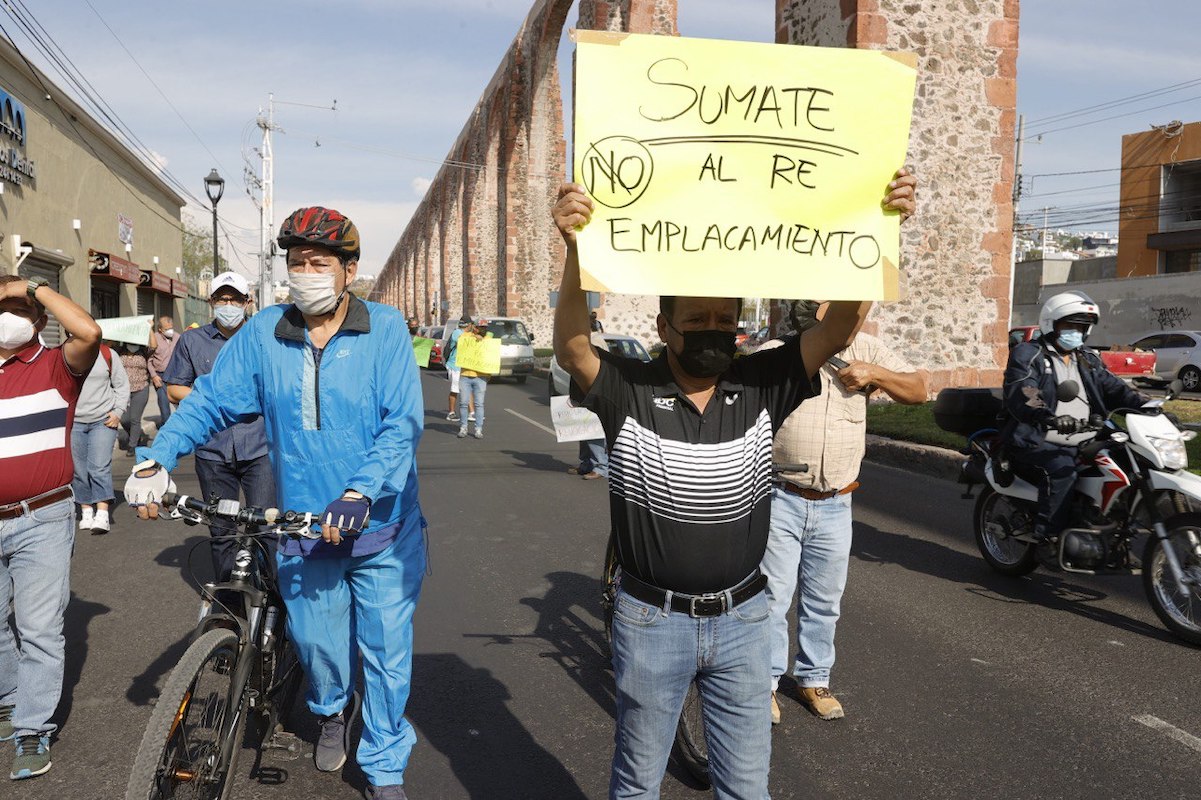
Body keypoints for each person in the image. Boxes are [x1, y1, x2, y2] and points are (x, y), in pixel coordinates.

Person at [551, 169, 916, 798]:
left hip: (747, 620)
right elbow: (572, 347)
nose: (716, 330)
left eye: (727, 319)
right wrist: (577, 247)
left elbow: (835, 332)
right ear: (665, 327)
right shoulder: (628, 387)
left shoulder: (763, 380)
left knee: (747, 786)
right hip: (649, 620)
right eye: (698, 319)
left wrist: (878, 229)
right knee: (638, 781)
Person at [124, 206, 425, 800]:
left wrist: (360, 491)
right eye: (296, 263)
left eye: (319, 263)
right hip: (302, 525)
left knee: (388, 652)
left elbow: (402, 424)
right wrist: (157, 456)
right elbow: (211, 400)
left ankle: (386, 764)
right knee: (318, 645)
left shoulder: (385, 329)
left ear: (349, 270)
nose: (305, 273)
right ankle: (333, 710)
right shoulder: (265, 333)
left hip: (381, 523)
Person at [759, 300, 927, 725]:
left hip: (836, 502)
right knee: (773, 599)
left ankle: (813, 678)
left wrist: (876, 375)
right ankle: (766, 684)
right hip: (780, 495)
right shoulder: (778, 351)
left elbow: (919, 389)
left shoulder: (868, 350)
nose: (850, 315)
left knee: (824, 601)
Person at [0, 273, 101, 780]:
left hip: (42, 515)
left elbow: (88, 333)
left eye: (19, 310)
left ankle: (32, 728)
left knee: (39, 628)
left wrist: (32, 288)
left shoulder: (57, 366)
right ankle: (9, 698)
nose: (10, 317)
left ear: (40, 320)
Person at [1001, 291, 1144, 546]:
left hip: (1086, 437)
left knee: (1133, 463)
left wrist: (1149, 405)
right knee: (1061, 471)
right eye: (1070, 326)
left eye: (1081, 327)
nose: (1076, 332)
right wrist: (1046, 416)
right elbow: (1024, 388)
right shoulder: (1029, 353)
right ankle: (1048, 538)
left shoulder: (1087, 358)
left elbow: (1115, 388)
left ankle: (1112, 527)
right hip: (1038, 438)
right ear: (1051, 324)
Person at [163, 271, 276, 591]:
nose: (229, 305)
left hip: (259, 448)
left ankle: (271, 598)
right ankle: (230, 598)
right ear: (211, 302)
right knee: (221, 529)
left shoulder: (264, 339)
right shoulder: (192, 340)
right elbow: (174, 390)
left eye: (235, 299)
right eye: (222, 299)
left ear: (248, 302)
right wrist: (218, 401)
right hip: (213, 450)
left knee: (266, 526)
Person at [71, 340, 129, 534]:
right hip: (73, 422)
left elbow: (122, 384)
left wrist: (118, 411)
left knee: (99, 466)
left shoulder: (107, 354)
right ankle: (86, 509)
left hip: (103, 420)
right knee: (78, 470)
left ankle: (103, 513)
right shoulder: (62, 355)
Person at [117, 334, 153, 456]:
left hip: (141, 388)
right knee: (124, 419)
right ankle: (136, 436)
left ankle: (132, 445)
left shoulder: (144, 351)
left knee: (134, 419)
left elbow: (154, 346)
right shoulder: (119, 351)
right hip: (123, 391)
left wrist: (149, 329)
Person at [456, 320, 490, 440]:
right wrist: (473, 334)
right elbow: (461, 337)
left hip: (481, 377)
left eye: (484, 327)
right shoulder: (466, 337)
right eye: (480, 327)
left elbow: (491, 352)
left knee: (479, 404)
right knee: (463, 403)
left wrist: (482, 337)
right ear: (474, 327)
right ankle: (463, 427)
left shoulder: (489, 339)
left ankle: (478, 428)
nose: (482, 329)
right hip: (465, 375)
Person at [147, 315, 178, 427]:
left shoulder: (177, 337)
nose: (170, 331)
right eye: (167, 329)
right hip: (160, 376)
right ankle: (167, 428)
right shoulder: (154, 338)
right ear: (160, 329)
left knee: (179, 403)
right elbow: (149, 360)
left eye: (171, 328)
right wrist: (154, 376)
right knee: (164, 403)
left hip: (176, 375)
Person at [444, 316, 472, 422]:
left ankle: (472, 412)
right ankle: (451, 413)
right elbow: (463, 343)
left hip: (462, 365)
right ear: (468, 325)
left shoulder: (466, 334)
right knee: (455, 389)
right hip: (454, 365)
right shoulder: (457, 333)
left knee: (467, 388)